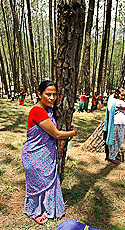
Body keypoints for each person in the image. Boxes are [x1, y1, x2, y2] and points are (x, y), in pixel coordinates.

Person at [21, 80, 78, 225]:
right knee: (37, 184)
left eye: (54, 94)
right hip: (35, 155)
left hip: (46, 155)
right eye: (48, 94)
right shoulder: (37, 111)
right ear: (39, 94)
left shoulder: (49, 109)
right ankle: (35, 211)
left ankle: (48, 208)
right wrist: (73, 132)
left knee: (48, 181)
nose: (52, 98)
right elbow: (57, 134)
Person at [104, 88, 125, 165]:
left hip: (118, 124)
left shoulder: (112, 100)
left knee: (117, 140)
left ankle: (113, 155)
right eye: (121, 95)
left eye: (124, 95)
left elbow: (111, 98)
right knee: (116, 141)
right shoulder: (118, 102)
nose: (123, 96)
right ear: (117, 94)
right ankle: (112, 157)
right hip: (117, 124)